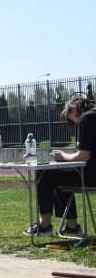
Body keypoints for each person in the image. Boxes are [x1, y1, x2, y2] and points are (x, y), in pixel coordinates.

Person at [24, 95, 95, 237]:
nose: (74, 122)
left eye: (72, 119)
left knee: (46, 172)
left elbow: (83, 156)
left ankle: (45, 225)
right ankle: (72, 226)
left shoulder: (87, 119)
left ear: (74, 110)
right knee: (61, 174)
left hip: (91, 177)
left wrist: (63, 156)